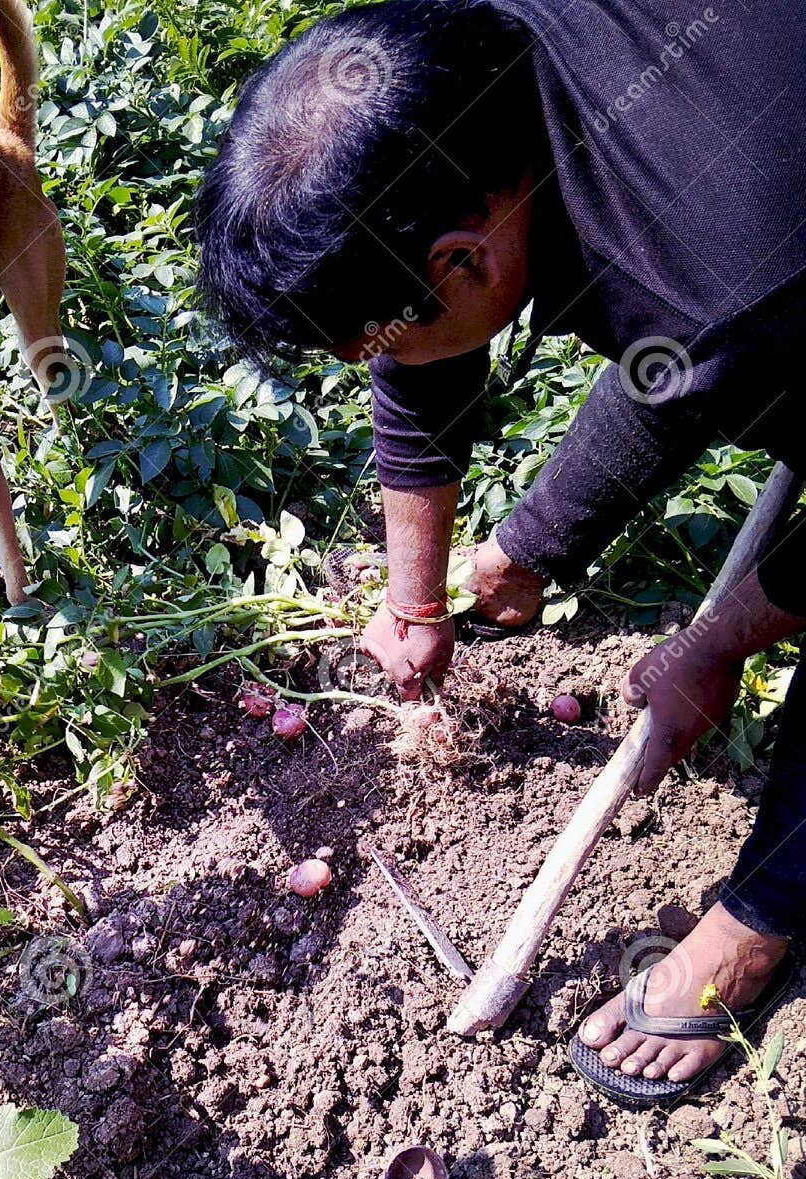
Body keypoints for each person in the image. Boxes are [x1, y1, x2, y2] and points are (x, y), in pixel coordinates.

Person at [196, 0, 806, 1104]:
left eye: (382, 331)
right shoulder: (458, 73)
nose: (384, 355)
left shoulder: (727, 278)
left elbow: (697, 328)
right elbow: (630, 344)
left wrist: (721, 640)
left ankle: (763, 911)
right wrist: (427, 592)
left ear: (467, 257)